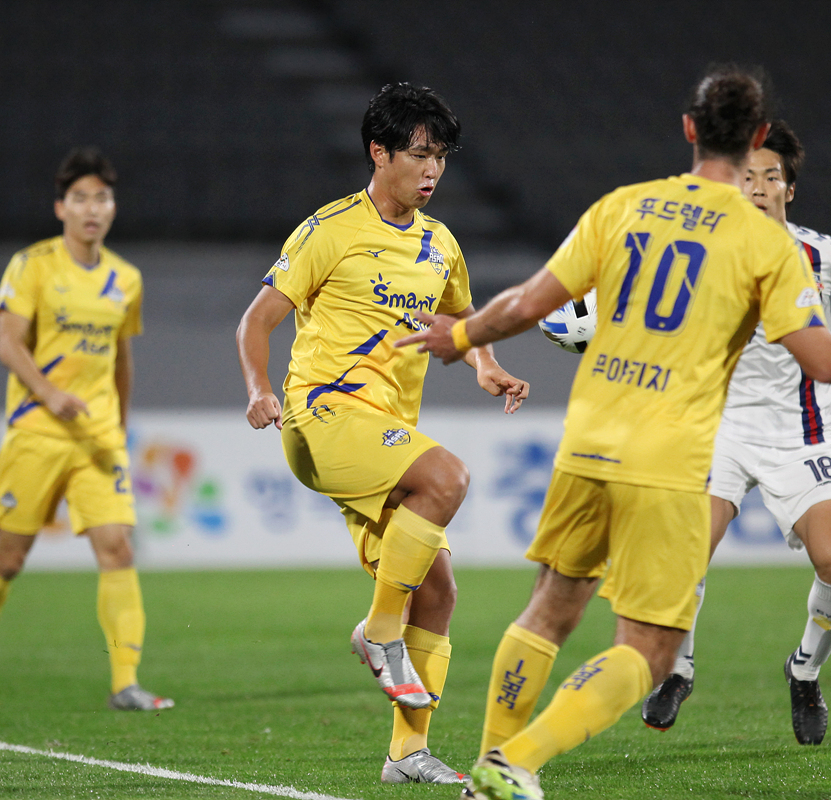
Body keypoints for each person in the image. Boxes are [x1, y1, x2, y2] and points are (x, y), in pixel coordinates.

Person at [397, 66, 831, 800]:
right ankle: (514, 762)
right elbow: (825, 359)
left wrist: (461, 335)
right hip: (672, 454)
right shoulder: (768, 246)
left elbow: (528, 302)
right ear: (758, 137)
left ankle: (489, 768)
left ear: (688, 130)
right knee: (649, 647)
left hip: (588, 437)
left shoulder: (624, 206)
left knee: (547, 608)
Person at [235, 82, 529, 785]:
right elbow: (256, 320)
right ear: (379, 152)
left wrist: (485, 364)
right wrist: (257, 389)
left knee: (439, 591)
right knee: (448, 476)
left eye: (441, 157)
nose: (433, 170)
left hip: (381, 432)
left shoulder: (440, 244)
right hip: (321, 414)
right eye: (419, 155)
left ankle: (407, 754)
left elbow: (461, 320)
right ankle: (378, 631)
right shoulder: (327, 230)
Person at [641, 120, 831, 745]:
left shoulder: (825, 255)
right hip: (720, 431)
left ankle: (804, 671)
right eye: (745, 175)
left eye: (770, 176)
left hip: (802, 433)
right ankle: (678, 670)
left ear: (789, 188)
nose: (756, 186)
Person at [0, 147, 172, 713]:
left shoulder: (126, 278)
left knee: (117, 549)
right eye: (80, 198)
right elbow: (8, 344)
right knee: (8, 559)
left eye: (101, 198)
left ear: (113, 207)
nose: (91, 209)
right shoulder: (32, 266)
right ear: (61, 208)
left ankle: (125, 682)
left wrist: (120, 426)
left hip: (97, 439)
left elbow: (121, 357)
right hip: (38, 432)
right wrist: (50, 394)